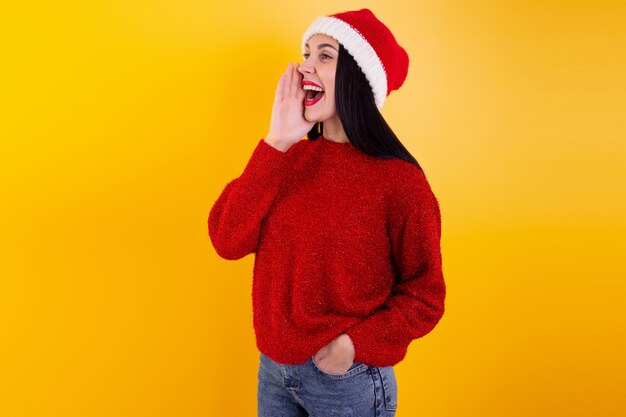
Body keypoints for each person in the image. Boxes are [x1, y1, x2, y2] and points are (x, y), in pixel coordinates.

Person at [208, 8, 446, 416]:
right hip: (273, 373)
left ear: (359, 75)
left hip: (346, 381)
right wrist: (276, 141)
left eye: (324, 55)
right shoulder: (286, 159)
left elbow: (425, 295)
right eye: (305, 54)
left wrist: (353, 346)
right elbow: (227, 240)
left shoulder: (400, 183)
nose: (305, 67)